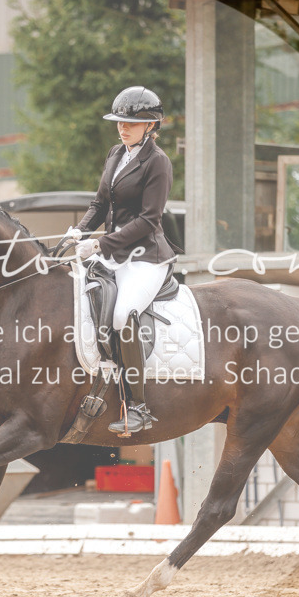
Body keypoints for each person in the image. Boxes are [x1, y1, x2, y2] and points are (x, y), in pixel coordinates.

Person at [66, 86, 179, 436]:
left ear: (151, 125)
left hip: (146, 257)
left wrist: (101, 243)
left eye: (132, 123)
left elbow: (149, 220)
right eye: (119, 121)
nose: (123, 128)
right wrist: (80, 231)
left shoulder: (158, 162)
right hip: (116, 253)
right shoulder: (117, 154)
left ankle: (139, 408)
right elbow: (100, 204)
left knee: (121, 314)